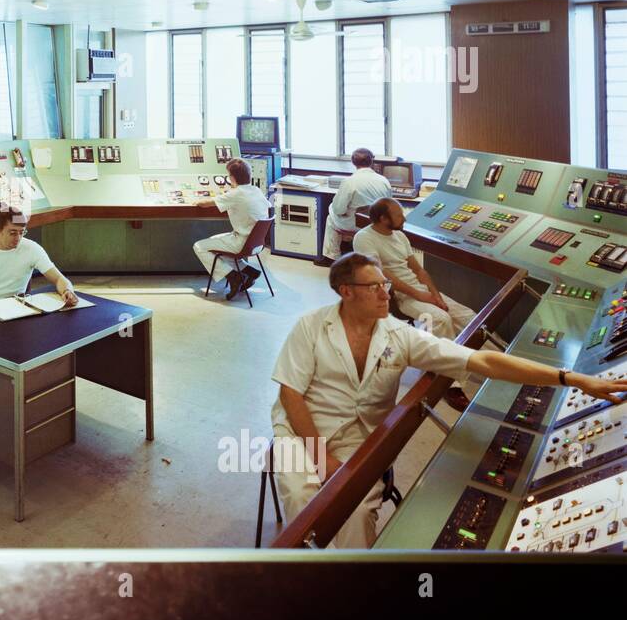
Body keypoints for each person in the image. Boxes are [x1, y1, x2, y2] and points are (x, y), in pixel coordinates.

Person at [270, 253, 627, 548]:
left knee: (357, 511)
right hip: (302, 433)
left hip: (360, 440)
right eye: (375, 286)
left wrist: (568, 378)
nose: (385, 293)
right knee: (305, 505)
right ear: (345, 291)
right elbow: (291, 394)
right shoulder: (310, 327)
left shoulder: (400, 334)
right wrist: (324, 459)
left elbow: (483, 362)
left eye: (386, 284)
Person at [353, 197, 479, 411]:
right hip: (397, 295)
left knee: (470, 317)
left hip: (420, 292)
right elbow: (381, 275)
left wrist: (435, 295)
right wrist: (420, 296)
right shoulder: (364, 238)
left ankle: (458, 362)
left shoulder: (400, 236)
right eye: (399, 215)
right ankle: (450, 384)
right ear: (383, 218)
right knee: (440, 319)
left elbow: (419, 270)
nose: (404, 218)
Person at [191, 158, 271, 299]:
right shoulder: (256, 190)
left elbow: (204, 203)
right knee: (213, 242)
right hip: (255, 243)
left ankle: (234, 277)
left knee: (199, 246)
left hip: (241, 242)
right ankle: (248, 270)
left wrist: (194, 199)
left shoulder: (236, 193)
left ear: (232, 178)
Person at [322, 148, 392, 261]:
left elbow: (339, 209)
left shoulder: (349, 182)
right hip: (377, 223)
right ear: (371, 161)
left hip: (355, 224)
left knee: (331, 215)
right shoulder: (384, 181)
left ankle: (332, 257)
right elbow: (389, 205)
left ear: (353, 162)